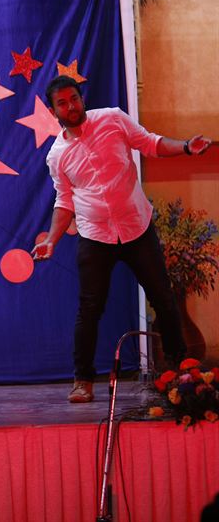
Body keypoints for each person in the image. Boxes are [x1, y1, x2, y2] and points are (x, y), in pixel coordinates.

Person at [32, 76, 211, 403]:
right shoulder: (57, 156)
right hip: (95, 235)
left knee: (163, 298)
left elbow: (151, 143)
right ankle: (83, 380)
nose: (71, 107)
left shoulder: (112, 119)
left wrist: (186, 146)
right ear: (53, 111)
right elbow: (64, 200)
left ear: (82, 98)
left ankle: (180, 372)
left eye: (74, 99)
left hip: (136, 228)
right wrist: (52, 240)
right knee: (89, 309)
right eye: (62, 103)